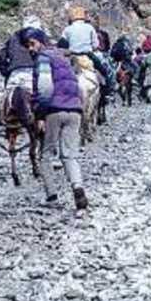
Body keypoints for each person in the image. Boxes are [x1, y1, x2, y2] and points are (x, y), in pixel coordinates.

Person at [25, 28, 88, 211]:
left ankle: (52, 195)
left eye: (32, 44)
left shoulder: (43, 59)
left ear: (41, 42)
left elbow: (44, 89)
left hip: (54, 110)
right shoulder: (64, 59)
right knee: (70, 154)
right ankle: (78, 187)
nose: (30, 48)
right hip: (74, 110)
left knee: (46, 154)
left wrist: (39, 115)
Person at [61, 6, 111, 82]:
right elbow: (95, 45)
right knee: (103, 71)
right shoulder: (90, 28)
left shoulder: (67, 29)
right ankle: (108, 88)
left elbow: (63, 43)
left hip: (72, 55)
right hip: (87, 54)